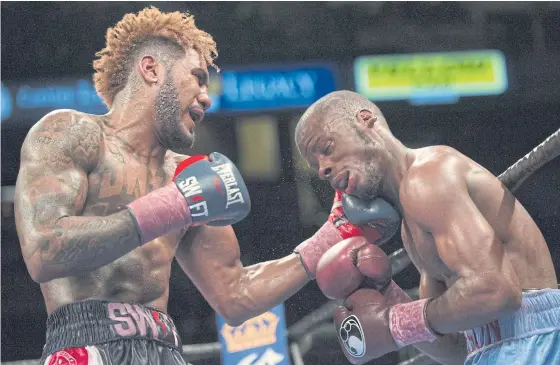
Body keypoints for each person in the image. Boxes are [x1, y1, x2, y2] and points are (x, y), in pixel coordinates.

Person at [14, 8, 400, 365]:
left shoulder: (188, 175)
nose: (206, 96)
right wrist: (173, 204)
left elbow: (235, 296)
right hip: (85, 343)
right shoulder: (72, 133)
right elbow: (44, 250)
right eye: (198, 77)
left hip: (165, 348)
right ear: (151, 69)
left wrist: (327, 239)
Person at [295, 90, 560, 365]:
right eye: (317, 167)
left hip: (534, 345)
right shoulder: (409, 227)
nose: (324, 169)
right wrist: (387, 295)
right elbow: (457, 349)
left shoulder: (428, 177)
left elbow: (497, 291)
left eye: (327, 149)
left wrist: (394, 324)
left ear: (366, 120)